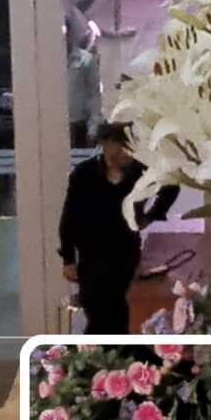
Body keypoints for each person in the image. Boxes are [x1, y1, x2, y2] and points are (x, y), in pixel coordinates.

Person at [59, 122, 179, 334]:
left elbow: (171, 185)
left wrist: (152, 215)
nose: (125, 151)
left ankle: (114, 350)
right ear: (105, 144)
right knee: (95, 309)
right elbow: (70, 217)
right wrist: (68, 258)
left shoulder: (141, 172)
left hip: (125, 249)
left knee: (118, 307)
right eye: (120, 145)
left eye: (129, 145)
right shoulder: (84, 173)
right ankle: (97, 351)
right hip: (91, 252)